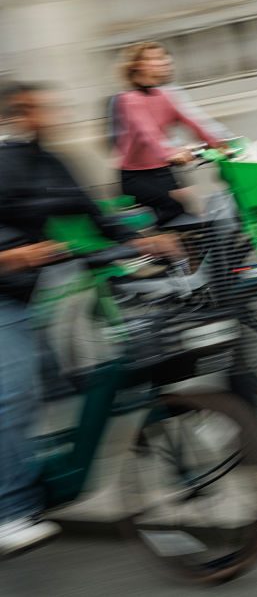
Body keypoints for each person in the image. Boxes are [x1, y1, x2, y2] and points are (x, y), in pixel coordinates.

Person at [0, 81, 179, 556]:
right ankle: (9, 512)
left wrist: (140, 241)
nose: (54, 113)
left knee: (49, 386)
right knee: (16, 393)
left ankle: (34, 470)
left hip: (26, 289)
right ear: (19, 113)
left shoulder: (49, 160)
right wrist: (12, 256)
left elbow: (91, 209)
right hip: (5, 290)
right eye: (43, 108)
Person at [113, 41, 225, 225]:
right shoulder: (129, 100)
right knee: (177, 213)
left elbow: (192, 121)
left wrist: (219, 143)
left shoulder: (164, 96)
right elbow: (148, 133)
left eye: (164, 57)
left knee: (193, 217)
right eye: (155, 58)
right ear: (137, 66)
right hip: (137, 177)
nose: (164, 61)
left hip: (162, 170)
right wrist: (170, 153)